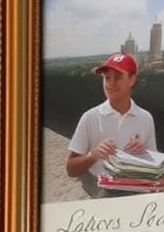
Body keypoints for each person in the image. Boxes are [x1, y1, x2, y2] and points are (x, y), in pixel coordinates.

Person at [66, 52, 157, 195]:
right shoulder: (90, 117)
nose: (110, 83)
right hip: (100, 192)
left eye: (118, 77)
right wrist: (93, 155)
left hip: (135, 191)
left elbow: (154, 166)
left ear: (132, 80)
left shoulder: (146, 118)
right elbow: (71, 169)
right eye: (107, 77)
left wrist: (144, 153)